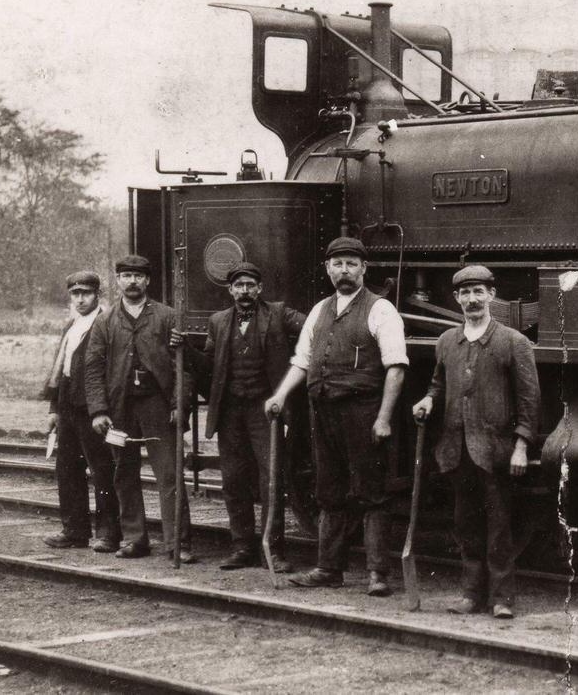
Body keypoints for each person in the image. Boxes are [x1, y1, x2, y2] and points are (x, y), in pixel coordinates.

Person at [263, 237, 407, 597]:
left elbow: (396, 368)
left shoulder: (381, 309)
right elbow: (303, 360)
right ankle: (329, 568)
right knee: (328, 491)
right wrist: (280, 394)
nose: (344, 270)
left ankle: (378, 574)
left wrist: (384, 418)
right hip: (323, 412)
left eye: (351, 264)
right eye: (337, 264)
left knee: (372, 493)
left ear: (364, 269)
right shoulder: (319, 310)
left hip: (363, 412)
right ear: (327, 269)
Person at [411, 265, 539, 619]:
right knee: (465, 525)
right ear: (456, 299)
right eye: (465, 293)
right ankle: (471, 595)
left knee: (499, 527)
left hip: (495, 451)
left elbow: (529, 400)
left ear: (491, 295)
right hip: (457, 448)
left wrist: (521, 445)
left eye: (478, 292)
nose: (472, 300)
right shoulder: (447, 342)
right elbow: (438, 383)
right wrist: (428, 400)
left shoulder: (513, 342)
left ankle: (502, 599)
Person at [175, 262, 305, 572]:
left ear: (259, 288)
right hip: (230, 411)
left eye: (250, 285)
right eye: (239, 286)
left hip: (265, 411)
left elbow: (312, 326)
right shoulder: (218, 321)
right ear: (230, 290)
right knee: (233, 480)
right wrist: (186, 351)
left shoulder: (279, 313)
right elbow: (207, 365)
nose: (244, 291)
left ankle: (273, 552)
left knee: (270, 480)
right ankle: (242, 547)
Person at [84, 255, 194, 562]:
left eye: (138, 276)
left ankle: (178, 543)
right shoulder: (104, 321)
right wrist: (99, 411)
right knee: (124, 473)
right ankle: (134, 538)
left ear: (147, 281)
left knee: (169, 474)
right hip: (119, 410)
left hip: (157, 406)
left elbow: (182, 367)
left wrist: (179, 405)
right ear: (117, 280)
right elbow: (92, 369)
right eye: (126, 275)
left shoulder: (168, 317)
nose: (132, 281)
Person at [41, 271, 120, 552]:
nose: (80, 299)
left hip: (95, 410)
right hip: (69, 407)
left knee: (102, 470)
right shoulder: (71, 326)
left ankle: (109, 533)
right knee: (68, 469)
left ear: (97, 294)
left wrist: (103, 410)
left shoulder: (108, 323)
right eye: (75, 294)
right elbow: (61, 371)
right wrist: (54, 409)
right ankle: (74, 531)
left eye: (85, 293)